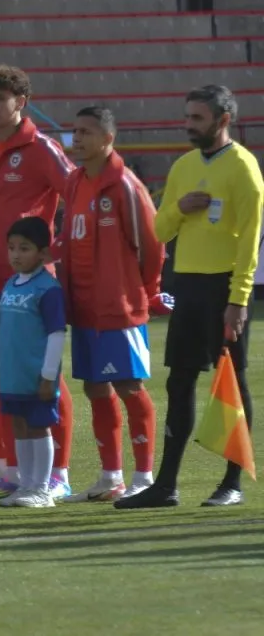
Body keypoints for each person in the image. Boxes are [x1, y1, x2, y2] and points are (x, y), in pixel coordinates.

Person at [118, 85, 264, 510]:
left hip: (225, 289)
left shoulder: (244, 169)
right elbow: (160, 231)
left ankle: (232, 483)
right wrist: (180, 206)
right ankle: (166, 486)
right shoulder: (183, 166)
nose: (188, 125)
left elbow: (250, 243)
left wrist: (237, 301)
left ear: (223, 121)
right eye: (187, 117)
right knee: (180, 382)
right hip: (188, 285)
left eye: (197, 118)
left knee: (231, 384)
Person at [0, 65, 76, 501]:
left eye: (1, 99)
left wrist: (57, 250)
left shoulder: (42, 148)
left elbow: (80, 195)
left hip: (32, 282)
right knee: (5, 376)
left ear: (21, 103)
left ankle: (60, 472)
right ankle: (17, 469)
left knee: (46, 378)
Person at [58, 107, 164, 503]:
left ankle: (144, 475)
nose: (78, 138)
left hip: (119, 308)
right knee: (95, 388)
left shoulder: (124, 186)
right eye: (74, 130)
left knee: (129, 386)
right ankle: (110, 476)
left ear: (108, 137)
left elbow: (152, 247)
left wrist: (144, 294)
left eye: (86, 131)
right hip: (83, 307)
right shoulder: (73, 182)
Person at [0, 217, 66, 509]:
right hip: (12, 374)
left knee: (39, 427)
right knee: (19, 426)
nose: (16, 254)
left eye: (24, 248)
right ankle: (25, 485)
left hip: (36, 375)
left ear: (42, 253)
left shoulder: (47, 288)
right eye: (12, 248)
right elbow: (4, 331)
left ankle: (41, 489)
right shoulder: (10, 284)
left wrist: (49, 375)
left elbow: (57, 333)